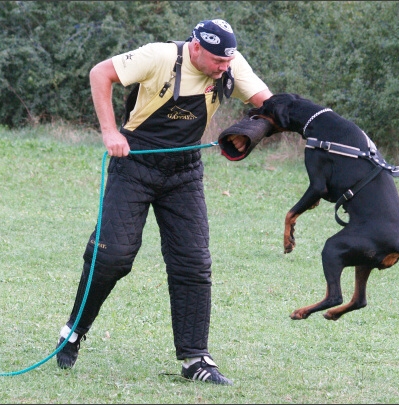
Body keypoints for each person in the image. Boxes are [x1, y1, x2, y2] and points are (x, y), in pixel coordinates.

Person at [55, 19, 272, 385]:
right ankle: (73, 332)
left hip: (184, 173)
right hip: (134, 163)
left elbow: (269, 106)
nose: (224, 69)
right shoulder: (158, 56)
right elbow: (99, 74)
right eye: (218, 61)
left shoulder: (232, 66)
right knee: (112, 256)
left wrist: (250, 132)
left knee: (193, 263)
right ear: (197, 48)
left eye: (227, 62)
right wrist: (110, 131)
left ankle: (194, 359)